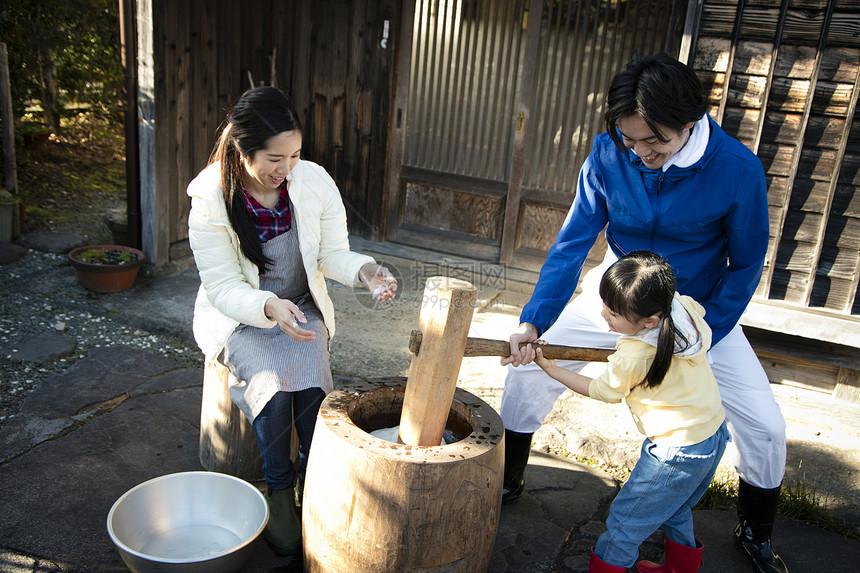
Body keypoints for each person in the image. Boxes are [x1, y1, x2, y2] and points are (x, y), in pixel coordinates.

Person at [500, 53, 789, 573]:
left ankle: (755, 532)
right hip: (617, 291)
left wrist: (703, 334)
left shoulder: (737, 169)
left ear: (691, 122)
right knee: (525, 373)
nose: (639, 154)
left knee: (765, 427)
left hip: (694, 312)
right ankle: (507, 480)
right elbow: (572, 243)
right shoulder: (609, 153)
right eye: (629, 140)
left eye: (653, 142)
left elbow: (745, 265)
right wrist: (533, 320)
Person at [186, 86, 397, 556]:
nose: (287, 169)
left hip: (300, 303)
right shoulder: (210, 200)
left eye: (295, 155)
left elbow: (332, 252)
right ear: (242, 151)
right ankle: (279, 489)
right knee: (272, 379)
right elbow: (222, 288)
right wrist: (266, 307)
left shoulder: (314, 181)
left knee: (311, 369)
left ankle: (312, 477)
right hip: (242, 316)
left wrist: (363, 270)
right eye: (274, 159)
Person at [531, 250, 729, 573]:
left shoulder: (635, 355)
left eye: (613, 313)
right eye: (606, 306)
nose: (604, 316)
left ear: (649, 321)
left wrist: (553, 370)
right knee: (674, 506)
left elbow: (600, 389)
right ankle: (680, 569)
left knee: (623, 523)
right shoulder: (681, 308)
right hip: (712, 435)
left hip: (676, 453)